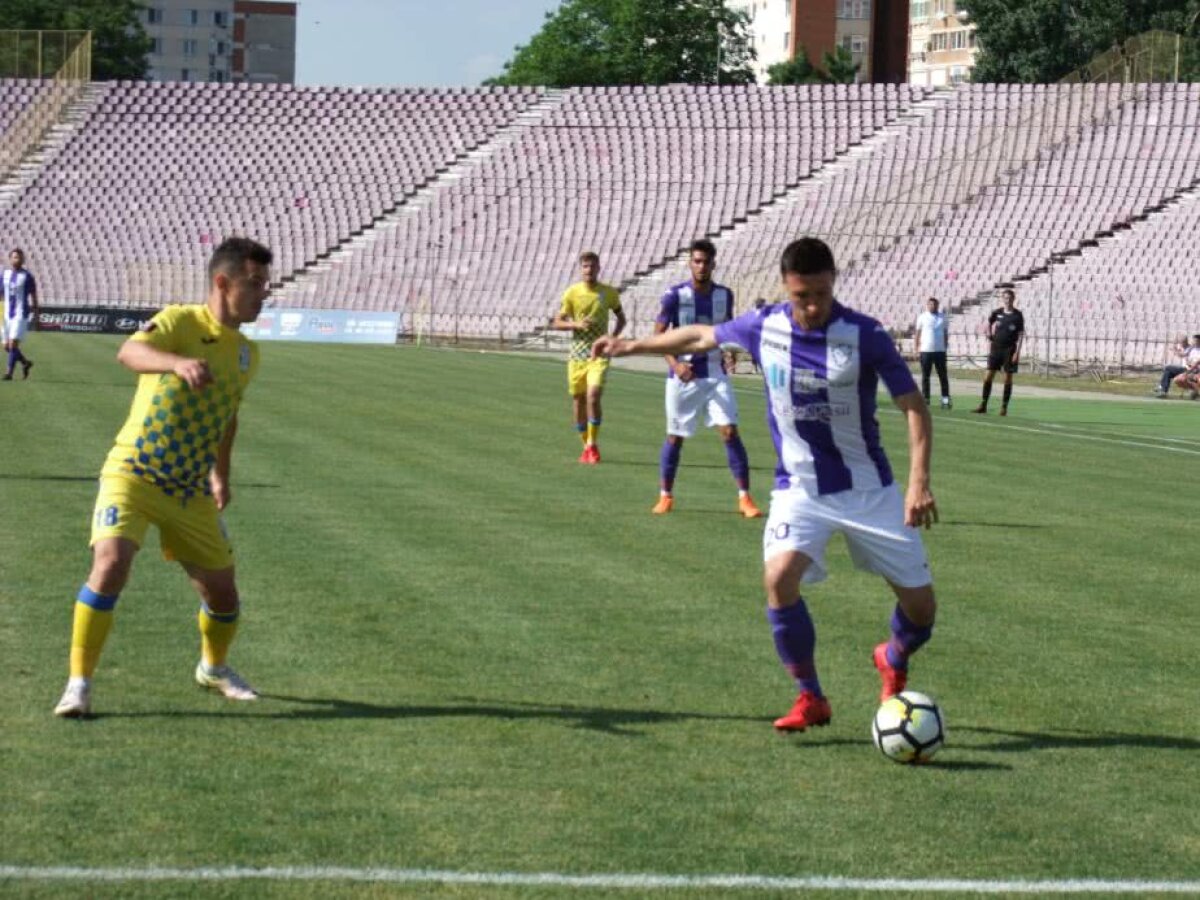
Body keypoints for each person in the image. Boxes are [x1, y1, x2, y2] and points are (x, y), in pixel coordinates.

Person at [594, 237, 938, 732]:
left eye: (821, 293)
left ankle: (893, 655)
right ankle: (811, 697)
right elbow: (701, 336)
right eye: (802, 296)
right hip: (799, 489)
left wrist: (918, 482)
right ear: (785, 287)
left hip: (868, 490)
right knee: (778, 579)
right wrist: (632, 346)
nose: (812, 306)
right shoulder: (764, 326)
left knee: (922, 612)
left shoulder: (865, 334)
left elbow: (914, 407)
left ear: (834, 282)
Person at [53, 237, 272, 718]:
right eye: (255, 283)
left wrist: (221, 475)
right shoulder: (179, 321)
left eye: (265, 285)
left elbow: (228, 416)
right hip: (133, 471)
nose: (263, 293)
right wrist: (176, 362)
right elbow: (130, 352)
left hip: (189, 489)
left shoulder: (247, 354)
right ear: (223, 282)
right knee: (111, 564)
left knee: (223, 595)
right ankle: (78, 685)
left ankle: (213, 668)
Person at [652, 239, 762, 518]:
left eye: (706, 262)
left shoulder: (725, 295)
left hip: (715, 375)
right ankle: (665, 496)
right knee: (675, 437)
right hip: (683, 378)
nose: (701, 266)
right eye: (697, 261)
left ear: (714, 264)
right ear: (690, 263)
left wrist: (731, 352)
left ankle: (745, 498)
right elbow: (659, 336)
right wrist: (675, 364)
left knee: (730, 431)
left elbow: (726, 330)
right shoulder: (674, 295)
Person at [550, 251, 626, 464]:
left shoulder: (608, 293)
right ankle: (586, 446)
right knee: (578, 400)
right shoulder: (572, 293)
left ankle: (592, 443)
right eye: (585, 266)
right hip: (577, 355)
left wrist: (611, 338)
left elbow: (622, 318)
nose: (589, 270)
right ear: (581, 269)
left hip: (598, 354)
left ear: (598, 268)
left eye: (592, 266)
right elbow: (557, 322)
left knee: (593, 396)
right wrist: (576, 324)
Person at [973, 288, 1024, 416]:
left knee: (1007, 379)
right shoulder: (997, 312)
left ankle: (1004, 407)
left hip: (1009, 350)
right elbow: (988, 323)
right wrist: (989, 333)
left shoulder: (1018, 315)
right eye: (1005, 298)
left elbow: (1021, 334)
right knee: (988, 376)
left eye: (1010, 298)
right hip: (996, 348)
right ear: (1002, 299)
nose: (1007, 300)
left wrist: (1017, 352)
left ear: (1013, 299)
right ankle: (983, 404)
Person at [2, 248, 38, 380]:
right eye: (15, 257)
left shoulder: (27, 276)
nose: (17, 259)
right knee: (7, 346)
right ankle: (25, 363)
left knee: (13, 344)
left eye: (20, 257)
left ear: (23, 260)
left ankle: (9, 373)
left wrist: (36, 312)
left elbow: (33, 295)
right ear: (10, 259)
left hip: (20, 314)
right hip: (5, 313)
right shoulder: (4, 274)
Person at [915, 297, 950, 409]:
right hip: (926, 350)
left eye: (934, 304)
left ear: (937, 305)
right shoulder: (922, 317)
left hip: (940, 351)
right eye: (930, 304)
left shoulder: (943, 317)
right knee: (925, 376)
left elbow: (945, 333)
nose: (932, 306)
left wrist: (945, 347)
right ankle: (926, 399)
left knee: (943, 376)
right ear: (927, 305)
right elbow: (917, 334)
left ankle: (945, 400)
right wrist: (916, 348)